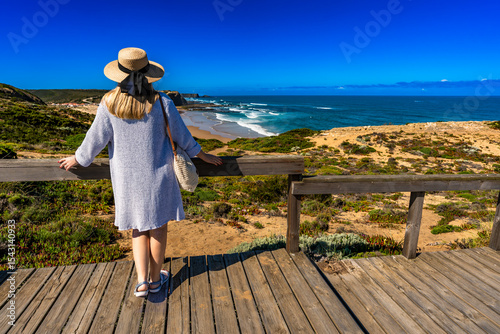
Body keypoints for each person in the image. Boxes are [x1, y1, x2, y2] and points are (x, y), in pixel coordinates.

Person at [58, 47, 222, 297]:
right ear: (148, 74)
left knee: (138, 228)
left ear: (119, 73)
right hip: (159, 177)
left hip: (127, 180)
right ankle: (156, 281)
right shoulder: (162, 101)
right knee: (158, 228)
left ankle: (142, 282)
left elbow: (94, 140)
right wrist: (203, 155)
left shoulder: (109, 102)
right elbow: (183, 137)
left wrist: (78, 159)